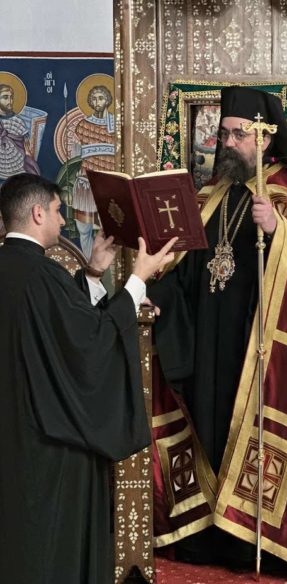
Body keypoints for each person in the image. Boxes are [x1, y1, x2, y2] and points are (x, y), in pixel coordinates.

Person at [149, 86, 287, 580]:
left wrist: (277, 232)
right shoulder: (209, 198)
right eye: (224, 134)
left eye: (238, 134)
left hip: (259, 352)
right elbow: (186, 273)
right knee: (209, 430)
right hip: (208, 348)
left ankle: (260, 542)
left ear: (264, 137)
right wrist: (156, 288)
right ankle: (205, 538)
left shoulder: (286, 195)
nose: (228, 143)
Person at [0, 172, 176, 584]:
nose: (63, 220)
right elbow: (91, 345)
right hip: (48, 447)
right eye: (58, 211)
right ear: (38, 213)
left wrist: (94, 275)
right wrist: (138, 279)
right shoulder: (42, 275)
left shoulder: (17, 270)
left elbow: (59, 330)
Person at [73, 84, 115, 257]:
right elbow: (75, 155)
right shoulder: (82, 126)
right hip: (86, 183)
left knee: (110, 229)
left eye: (101, 98)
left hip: (109, 185)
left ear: (107, 100)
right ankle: (88, 262)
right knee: (84, 229)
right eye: (94, 99)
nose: (98, 102)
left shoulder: (115, 125)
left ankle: (107, 266)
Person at [0, 83, 40, 180]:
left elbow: (27, 148)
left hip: (18, 169)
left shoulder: (18, 122)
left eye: (11, 97)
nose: (10, 101)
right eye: (5, 97)